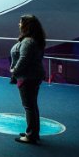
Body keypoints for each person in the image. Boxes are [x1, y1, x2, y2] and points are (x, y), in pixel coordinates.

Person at [10, 14, 46, 144]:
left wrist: (14, 71)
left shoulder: (28, 41)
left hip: (27, 77)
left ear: (26, 25)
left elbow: (23, 59)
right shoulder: (34, 40)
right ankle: (32, 132)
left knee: (29, 106)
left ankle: (30, 135)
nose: (19, 25)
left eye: (20, 22)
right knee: (32, 106)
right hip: (33, 76)